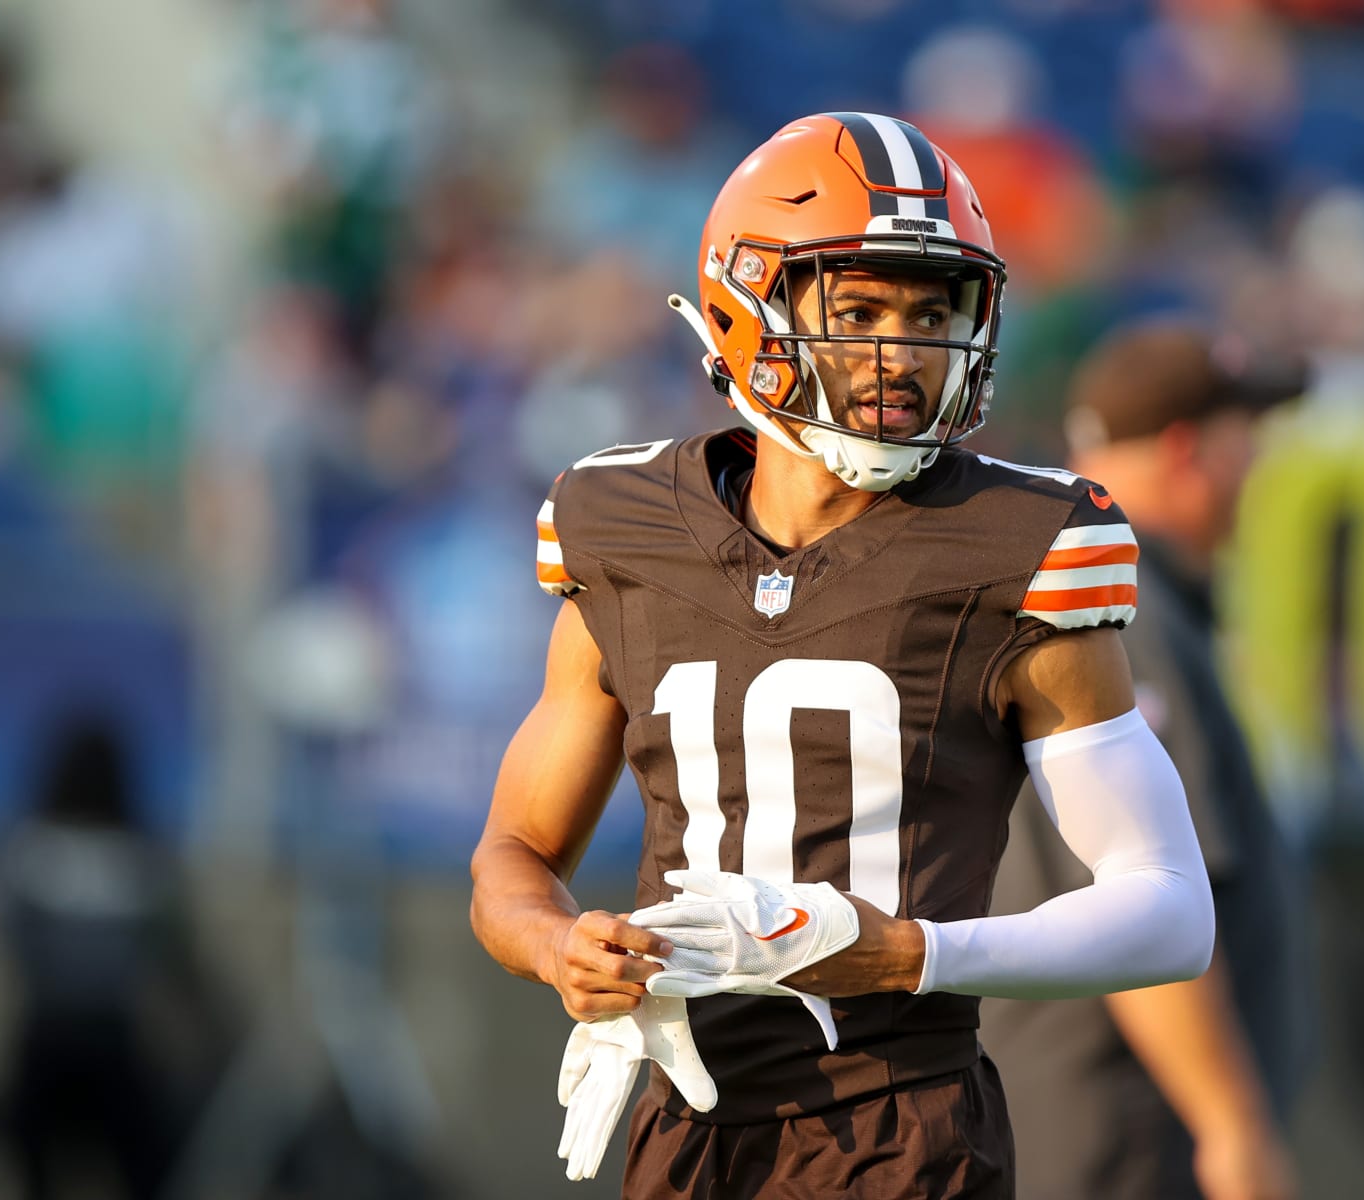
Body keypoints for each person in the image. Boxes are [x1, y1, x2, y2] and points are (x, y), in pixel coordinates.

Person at [468, 112, 1216, 1200]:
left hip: (900, 1130)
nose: (900, 354)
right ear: (741, 306)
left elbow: (1169, 910)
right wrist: (556, 948)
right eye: (857, 310)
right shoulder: (619, 523)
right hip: (685, 1124)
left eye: (929, 314)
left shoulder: (1024, 544)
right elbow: (513, 855)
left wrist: (914, 956)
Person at [978, 316, 1312, 1200]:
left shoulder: (1104, 589)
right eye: (1249, 438)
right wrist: (1231, 1125)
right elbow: (1136, 893)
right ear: (1185, 449)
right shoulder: (1123, 609)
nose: (1260, 466)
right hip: (1122, 1128)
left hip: (1091, 1112)